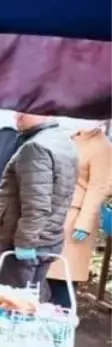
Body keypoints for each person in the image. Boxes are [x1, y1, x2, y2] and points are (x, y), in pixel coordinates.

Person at [0, 114, 79, 299]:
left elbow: (36, 205)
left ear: (46, 112)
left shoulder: (36, 147)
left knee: (11, 307)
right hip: (48, 241)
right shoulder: (63, 140)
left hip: (25, 245)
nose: (18, 115)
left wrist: (24, 244)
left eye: (26, 110)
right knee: (33, 299)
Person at [46, 121, 112, 308]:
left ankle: (61, 329)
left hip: (74, 215)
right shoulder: (70, 136)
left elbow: (98, 187)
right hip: (52, 210)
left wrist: (84, 222)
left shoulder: (102, 146)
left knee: (63, 280)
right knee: (43, 276)